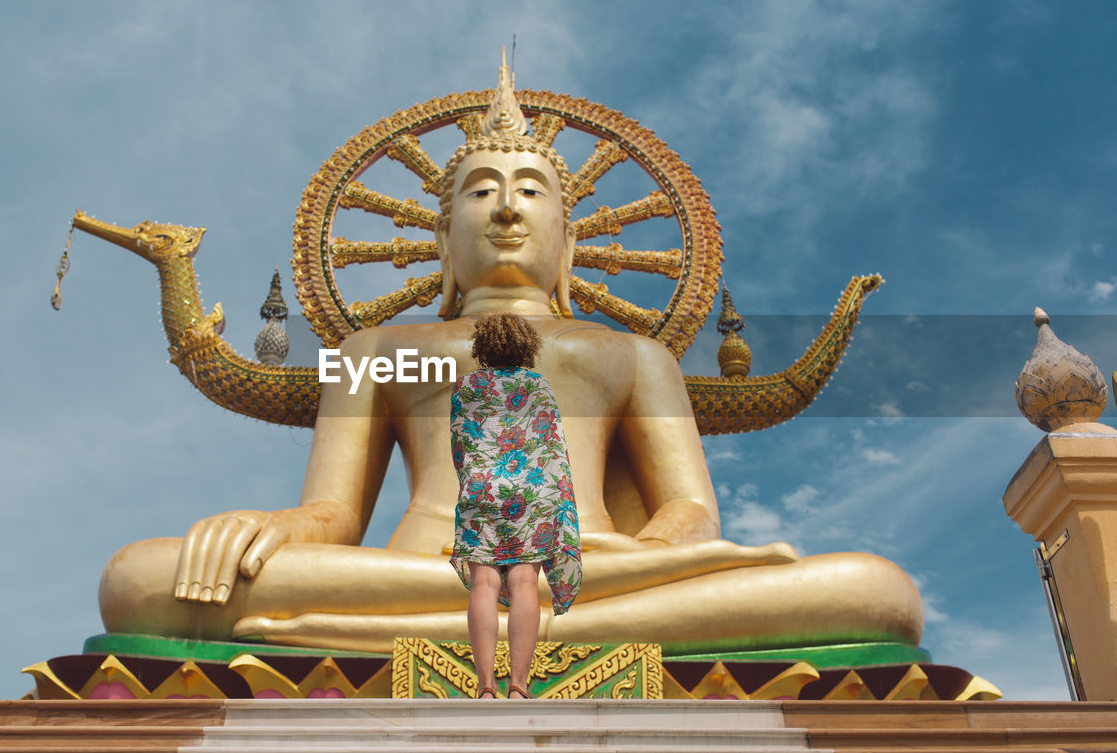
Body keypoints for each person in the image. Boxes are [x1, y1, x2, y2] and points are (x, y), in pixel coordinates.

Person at [95, 58, 923, 657]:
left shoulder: (629, 355)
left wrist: (628, 557)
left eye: (532, 190)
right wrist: (270, 527)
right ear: (443, 242)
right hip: (427, 570)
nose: (506, 208)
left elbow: (691, 516)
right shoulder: (387, 350)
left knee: (877, 590)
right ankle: (529, 622)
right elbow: (333, 518)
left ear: (569, 242)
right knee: (139, 578)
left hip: (591, 566)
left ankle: (465, 623)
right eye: (480, 190)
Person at [452, 313, 581, 698]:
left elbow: (461, 447)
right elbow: (554, 448)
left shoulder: (466, 387)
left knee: (484, 582)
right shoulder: (539, 386)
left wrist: (475, 483)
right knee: (525, 581)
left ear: (482, 347)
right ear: (528, 346)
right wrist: (563, 503)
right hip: (536, 493)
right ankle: (519, 684)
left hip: (482, 490)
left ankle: (486, 683)